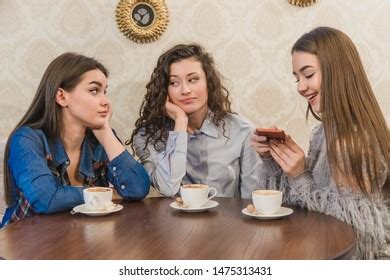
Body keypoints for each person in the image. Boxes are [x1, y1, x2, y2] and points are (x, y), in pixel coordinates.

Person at [251, 26, 389, 259]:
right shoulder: (323, 133)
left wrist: (299, 175)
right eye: (297, 78)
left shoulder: (353, 141)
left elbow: (351, 231)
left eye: (308, 75)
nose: (300, 87)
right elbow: (307, 203)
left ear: (338, 71)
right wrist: (276, 161)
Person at [1, 53, 150, 227]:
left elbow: (138, 189)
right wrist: (105, 194)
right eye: (94, 91)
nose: (106, 101)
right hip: (24, 245)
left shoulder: (100, 138)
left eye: (105, 92)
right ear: (62, 97)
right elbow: (47, 199)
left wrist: (105, 132)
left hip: (76, 239)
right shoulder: (27, 139)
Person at [128, 43, 260, 198]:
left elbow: (251, 199)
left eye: (193, 79)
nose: (185, 90)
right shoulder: (147, 136)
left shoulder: (242, 131)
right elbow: (167, 188)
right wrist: (180, 122)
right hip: (172, 222)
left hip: (227, 220)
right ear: (164, 91)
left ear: (208, 83)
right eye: (174, 83)